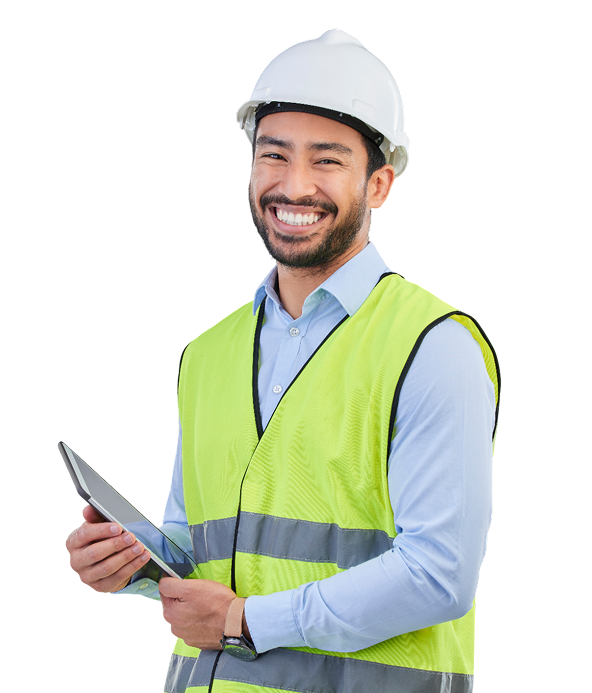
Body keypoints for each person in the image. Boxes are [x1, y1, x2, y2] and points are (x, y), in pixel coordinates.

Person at [65, 29, 499, 692]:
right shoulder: (208, 353)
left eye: (327, 161)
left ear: (379, 184)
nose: (294, 186)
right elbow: (198, 550)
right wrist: (135, 564)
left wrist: (244, 620)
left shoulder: (434, 346)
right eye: (274, 155)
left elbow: (439, 574)